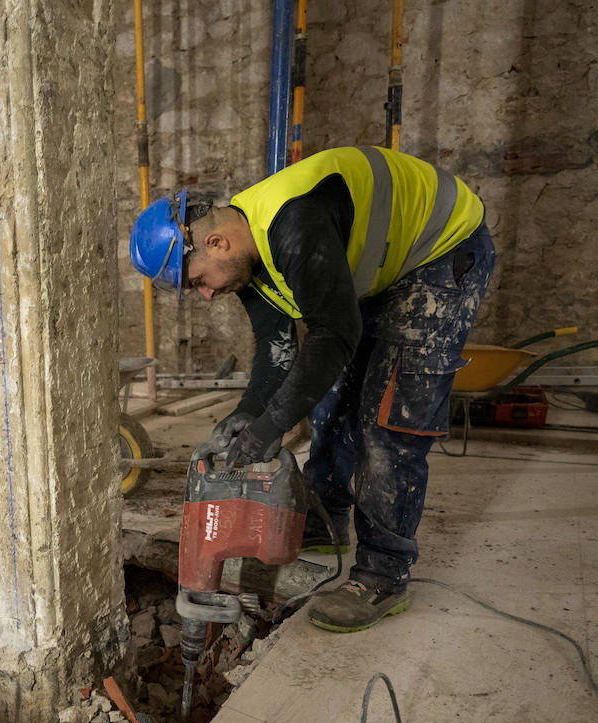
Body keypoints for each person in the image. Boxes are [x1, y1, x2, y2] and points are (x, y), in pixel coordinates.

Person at [130, 146, 495, 633]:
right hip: (387, 264)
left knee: (387, 422)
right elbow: (277, 348)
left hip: (440, 249)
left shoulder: (293, 225)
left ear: (216, 242)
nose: (207, 294)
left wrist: (275, 424)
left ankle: (384, 574)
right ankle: (328, 521)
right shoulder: (248, 255)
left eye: (197, 281)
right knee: (330, 402)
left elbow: (333, 334)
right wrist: (248, 414)